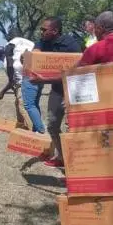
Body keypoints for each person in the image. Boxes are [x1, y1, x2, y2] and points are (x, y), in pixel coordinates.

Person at [37, 17, 83, 167]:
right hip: (57, 90)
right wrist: (31, 57)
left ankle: (77, 163)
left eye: (44, 29)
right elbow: (35, 53)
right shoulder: (43, 42)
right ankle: (62, 157)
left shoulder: (71, 44)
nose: (41, 32)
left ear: (55, 31)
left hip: (72, 91)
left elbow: (78, 68)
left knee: (73, 127)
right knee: (52, 124)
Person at [0, 28, 39, 130]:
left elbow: (12, 79)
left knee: (23, 106)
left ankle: (33, 131)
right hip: (36, 77)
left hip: (23, 81)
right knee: (27, 104)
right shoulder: (30, 43)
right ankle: (21, 126)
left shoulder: (10, 48)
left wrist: (2, 91)